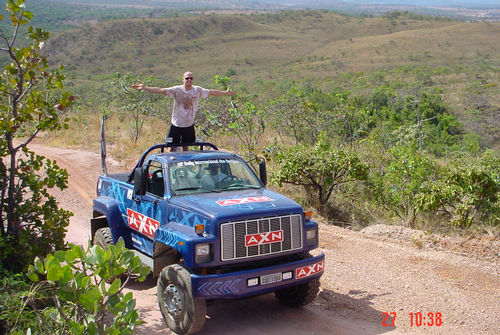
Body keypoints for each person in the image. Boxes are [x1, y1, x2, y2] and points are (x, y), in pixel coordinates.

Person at [132, 71, 234, 151]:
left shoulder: (197, 90)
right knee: (172, 148)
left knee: (186, 147)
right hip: (176, 124)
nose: (189, 80)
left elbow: (211, 92)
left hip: (189, 124)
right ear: (183, 79)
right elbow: (161, 90)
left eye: (191, 78)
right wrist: (145, 88)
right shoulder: (177, 90)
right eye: (187, 78)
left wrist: (225, 93)